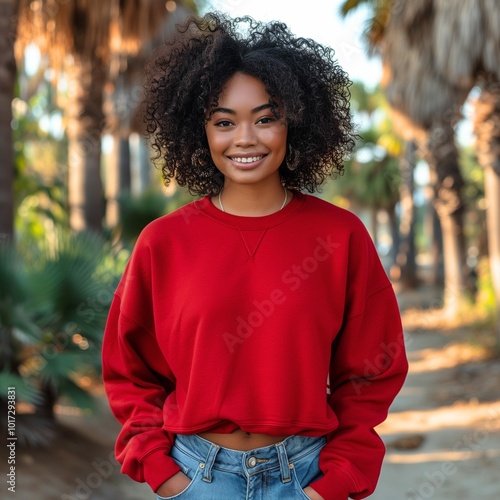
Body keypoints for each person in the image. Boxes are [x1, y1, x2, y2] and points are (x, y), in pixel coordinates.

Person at [102, 12, 408, 500]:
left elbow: (373, 369)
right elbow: (129, 369)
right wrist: (164, 474)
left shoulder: (340, 235)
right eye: (224, 122)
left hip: (305, 476)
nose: (245, 138)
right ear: (199, 132)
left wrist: (337, 478)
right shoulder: (163, 243)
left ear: (296, 124)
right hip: (196, 477)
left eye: (266, 119)